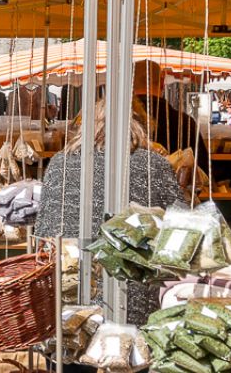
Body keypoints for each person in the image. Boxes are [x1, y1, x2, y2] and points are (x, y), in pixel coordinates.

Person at [35, 106, 183, 325]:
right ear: (137, 126)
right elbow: (179, 225)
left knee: (68, 348)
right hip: (135, 285)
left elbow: (44, 228)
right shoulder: (155, 165)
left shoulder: (60, 163)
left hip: (70, 286)